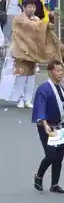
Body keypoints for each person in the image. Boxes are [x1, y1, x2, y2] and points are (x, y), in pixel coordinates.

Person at [0, 0, 63, 108]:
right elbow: (34, 27)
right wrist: (46, 19)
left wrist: (50, 21)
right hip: (21, 51)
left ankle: (27, 99)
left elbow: (42, 29)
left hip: (33, 52)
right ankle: (20, 98)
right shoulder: (19, 18)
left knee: (31, 77)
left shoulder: (37, 19)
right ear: (24, 7)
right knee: (21, 76)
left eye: (33, 7)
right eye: (29, 6)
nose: (32, 9)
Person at [32, 60, 64, 193]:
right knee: (51, 155)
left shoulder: (61, 88)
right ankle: (38, 175)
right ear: (50, 72)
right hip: (48, 126)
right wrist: (44, 125)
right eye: (58, 71)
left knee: (59, 156)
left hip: (60, 126)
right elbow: (40, 108)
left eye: (62, 71)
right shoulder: (44, 89)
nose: (61, 73)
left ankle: (54, 184)